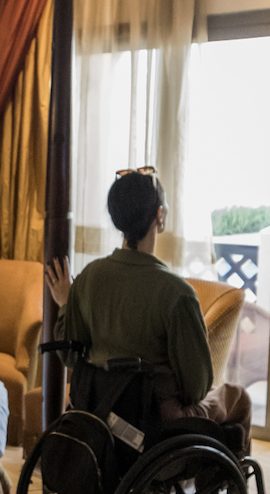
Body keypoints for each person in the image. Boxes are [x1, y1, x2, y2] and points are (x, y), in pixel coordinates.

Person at [45, 168, 252, 443]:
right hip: (157, 428)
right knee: (237, 398)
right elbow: (197, 387)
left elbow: (70, 355)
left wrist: (66, 304)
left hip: (97, 415)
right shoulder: (178, 294)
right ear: (159, 215)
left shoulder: (88, 279)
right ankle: (213, 481)